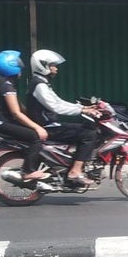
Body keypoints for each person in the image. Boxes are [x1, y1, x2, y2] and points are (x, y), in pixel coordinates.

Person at [27, 49, 101, 186]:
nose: (56, 68)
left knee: (83, 129)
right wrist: (82, 111)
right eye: (53, 65)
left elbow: (59, 101)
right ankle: (75, 171)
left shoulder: (42, 83)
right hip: (46, 126)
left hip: (48, 124)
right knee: (89, 133)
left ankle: (69, 164)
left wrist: (84, 108)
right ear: (43, 66)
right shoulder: (39, 86)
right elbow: (56, 107)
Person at [0, 50, 48, 181]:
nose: (21, 68)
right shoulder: (7, 87)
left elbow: (21, 108)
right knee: (35, 137)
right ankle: (28, 171)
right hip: (2, 124)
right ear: (10, 66)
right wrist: (37, 128)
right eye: (18, 65)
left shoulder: (2, 84)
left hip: (0, 123)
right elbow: (16, 113)